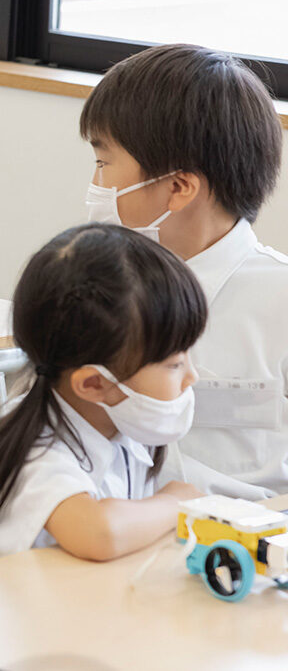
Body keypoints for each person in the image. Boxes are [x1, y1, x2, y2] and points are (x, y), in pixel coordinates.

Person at [77, 42, 288, 498]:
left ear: (177, 187)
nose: (95, 186)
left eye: (102, 163)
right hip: (104, 539)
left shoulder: (280, 302)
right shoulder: (92, 288)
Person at [0, 223, 205, 563]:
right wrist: (174, 503)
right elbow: (100, 533)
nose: (192, 377)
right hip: (4, 613)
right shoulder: (34, 453)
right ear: (93, 383)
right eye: (174, 364)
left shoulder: (119, 425)